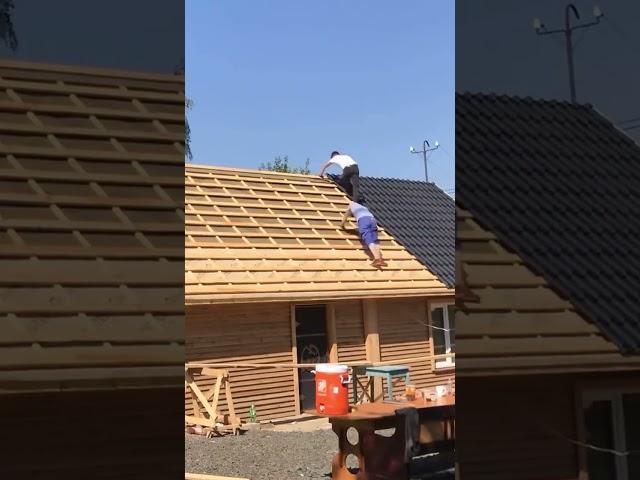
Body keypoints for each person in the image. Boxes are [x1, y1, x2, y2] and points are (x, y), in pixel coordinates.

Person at [341, 200, 387, 268]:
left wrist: (342, 225)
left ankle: (377, 259)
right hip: (372, 220)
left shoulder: (351, 205)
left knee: (367, 237)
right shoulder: (363, 207)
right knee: (375, 239)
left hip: (363, 220)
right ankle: (380, 259)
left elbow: (346, 216)